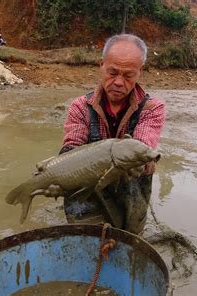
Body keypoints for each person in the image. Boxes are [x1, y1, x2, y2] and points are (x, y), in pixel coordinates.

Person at [60, 34, 165, 235]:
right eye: (112, 72)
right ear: (101, 65)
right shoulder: (81, 106)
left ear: (139, 72)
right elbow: (71, 145)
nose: (118, 82)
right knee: (87, 238)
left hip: (131, 189)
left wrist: (139, 162)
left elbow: (143, 143)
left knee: (128, 240)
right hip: (88, 186)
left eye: (128, 76)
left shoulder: (152, 108)